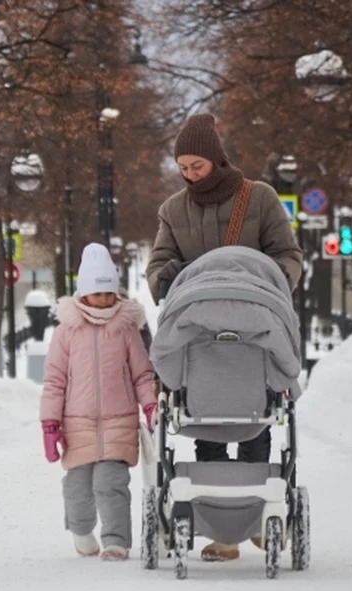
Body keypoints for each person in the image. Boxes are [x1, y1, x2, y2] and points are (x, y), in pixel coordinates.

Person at [145, 113, 303, 562]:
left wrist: (272, 286)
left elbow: (287, 254)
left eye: (197, 165)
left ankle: (254, 515)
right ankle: (220, 529)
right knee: (206, 423)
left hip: (254, 323)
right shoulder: (174, 210)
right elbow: (158, 262)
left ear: (215, 159)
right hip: (198, 330)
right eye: (183, 167)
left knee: (255, 418)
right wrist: (165, 277)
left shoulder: (259, 198)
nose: (190, 174)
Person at [40, 243, 157, 561]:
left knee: (111, 483)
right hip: (77, 423)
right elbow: (54, 381)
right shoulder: (67, 331)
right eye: (97, 293)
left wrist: (150, 406)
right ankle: (81, 531)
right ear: (82, 293)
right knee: (77, 487)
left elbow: (142, 374)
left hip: (119, 420)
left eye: (109, 293)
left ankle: (117, 541)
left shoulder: (126, 328)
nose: (104, 299)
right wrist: (50, 424)